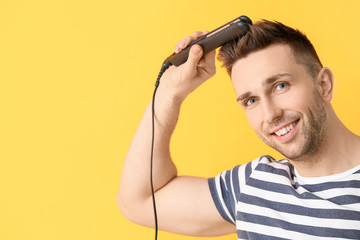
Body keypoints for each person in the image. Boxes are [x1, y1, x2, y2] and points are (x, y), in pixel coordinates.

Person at [117, 19, 360, 239]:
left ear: (324, 85)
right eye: (251, 101)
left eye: (280, 86)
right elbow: (138, 201)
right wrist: (169, 93)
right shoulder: (253, 185)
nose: (270, 114)